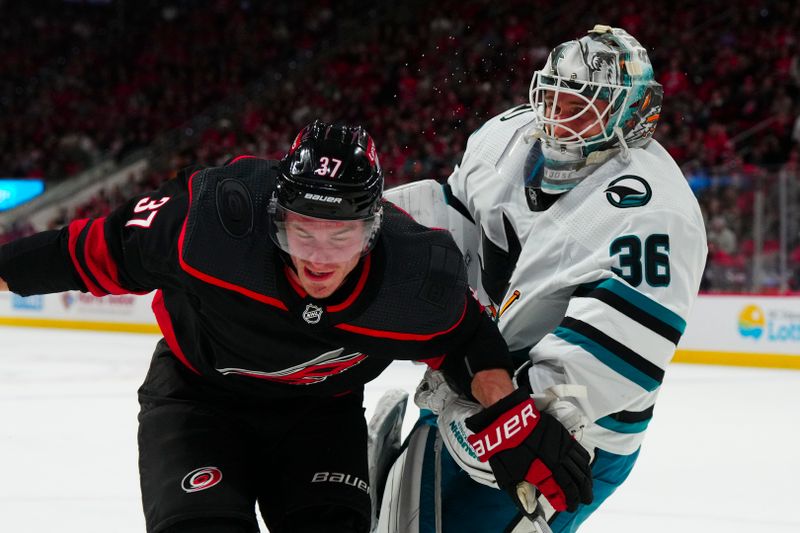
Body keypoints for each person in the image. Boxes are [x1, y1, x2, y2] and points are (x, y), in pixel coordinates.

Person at [0, 120, 592, 533]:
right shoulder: (209, 223)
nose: (320, 257)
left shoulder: (416, 274)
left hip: (319, 416)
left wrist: (506, 413)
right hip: (197, 400)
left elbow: (466, 340)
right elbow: (85, 253)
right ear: (274, 217)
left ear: (374, 228)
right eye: (303, 230)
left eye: (344, 236)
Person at [380, 25, 707, 532]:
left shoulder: (655, 213)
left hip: (572, 433)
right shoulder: (505, 137)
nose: (558, 118)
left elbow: (612, 359)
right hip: (476, 385)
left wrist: (504, 420)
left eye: (582, 105)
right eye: (553, 98)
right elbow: (454, 231)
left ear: (633, 114)